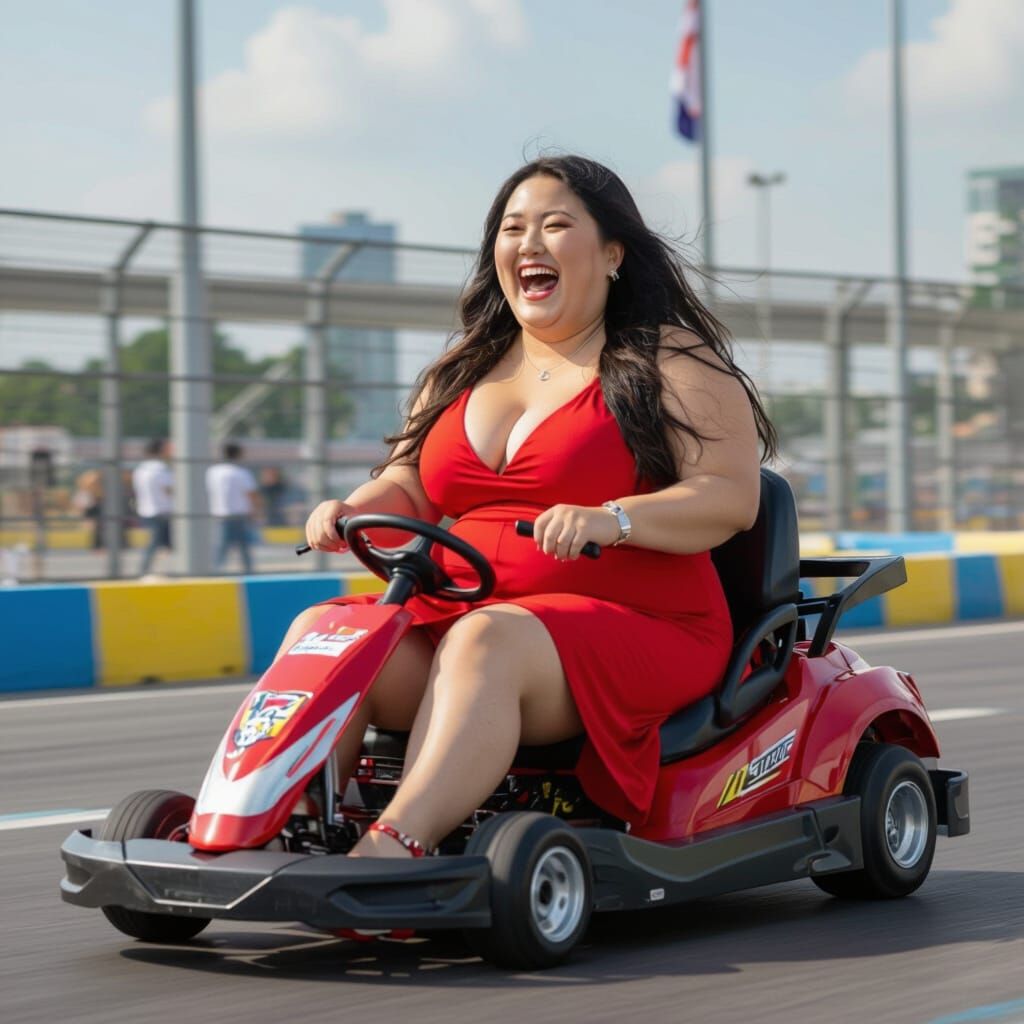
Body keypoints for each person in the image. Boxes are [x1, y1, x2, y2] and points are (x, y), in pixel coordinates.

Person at [278, 155, 777, 859]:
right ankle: (291, 828)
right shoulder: (461, 369)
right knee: (326, 628)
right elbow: (408, 483)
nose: (529, 244)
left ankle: (395, 849)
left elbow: (730, 498)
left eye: (555, 225)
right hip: (466, 617)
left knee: (489, 639)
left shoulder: (673, 361)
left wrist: (615, 518)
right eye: (513, 229)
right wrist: (350, 506)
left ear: (612, 254)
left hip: (645, 625)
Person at [206, 442, 260, 574]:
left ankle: (215, 571)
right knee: (244, 547)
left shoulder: (212, 472)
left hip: (219, 514)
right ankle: (249, 571)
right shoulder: (241, 472)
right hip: (239, 514)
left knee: (220, 547)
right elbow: (251, 494)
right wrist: (257, 510)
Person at [132, 438, 173, 577]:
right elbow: (169, 489)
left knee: (154, 544)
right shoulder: (161, 468)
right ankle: (145, 571)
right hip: (163, 510)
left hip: (146, 510)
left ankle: (147, 570)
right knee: (158, 545)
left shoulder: (141, 469)